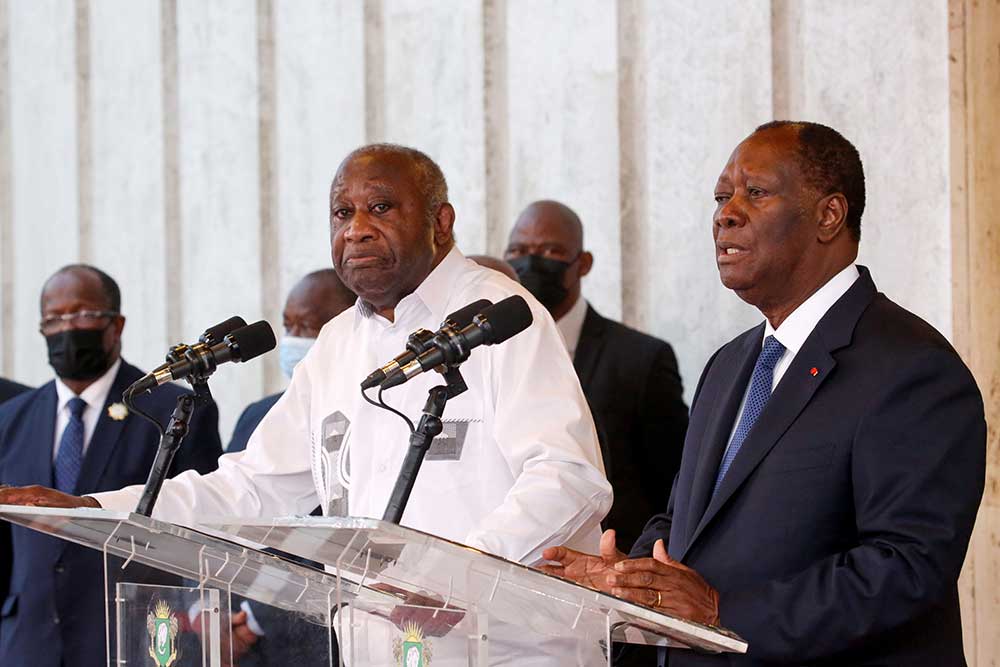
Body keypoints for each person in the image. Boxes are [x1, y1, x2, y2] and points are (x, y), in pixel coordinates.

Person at [0, 145, 612, 665]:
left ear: (441, 222)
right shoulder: (340, 342)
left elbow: (567, 477)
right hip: (379, 647)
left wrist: (458, 580)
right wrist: (94, 509)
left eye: (380, 208)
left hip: (506, 651)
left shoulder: (502, 318)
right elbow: (251, 486)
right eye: (342, 213)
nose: (356, 229)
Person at [541, 121, 986, 666]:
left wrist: (723, 613)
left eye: (755, 193)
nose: (726, 213)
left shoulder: (911, 367)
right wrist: (630, 577)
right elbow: (685, 520)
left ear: (829, 215)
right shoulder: (729, 365)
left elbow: (906, 567)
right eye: (721, 197)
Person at [0, 264, 223, 667]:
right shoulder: (12, 418)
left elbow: (205, 531)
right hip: (28, 642)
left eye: (82, 314)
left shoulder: (173, 408)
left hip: (133, 638)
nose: (68, 328)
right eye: (54, 319)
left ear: (115, 325)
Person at [505, 200, 688, 553]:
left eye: (550, 250)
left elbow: (673, 486)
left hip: (611, 568)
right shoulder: (490, 352)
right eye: (519, 250)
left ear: (582, 263)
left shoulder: (641, 359)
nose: (531, 261)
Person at [227, 268, 357, 453]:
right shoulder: (258, 415)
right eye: (288, 326)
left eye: (307, 326)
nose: (293, 338)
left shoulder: (375, 410)